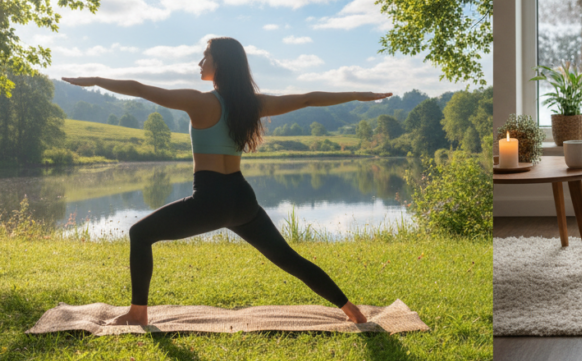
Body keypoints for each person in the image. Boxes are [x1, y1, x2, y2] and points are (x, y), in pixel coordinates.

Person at [62, 37, 391, 326]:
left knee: (139, 233)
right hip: (242, 199)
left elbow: (138, 89)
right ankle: (352, 310)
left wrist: (94, 79)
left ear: (220, 63)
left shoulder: (198, 101)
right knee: (287, 258)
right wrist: (360, 95)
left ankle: (137, 313)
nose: (200, 62)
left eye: (205, 56)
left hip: (209, 199)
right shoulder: (252, 105)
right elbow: (307, 98)